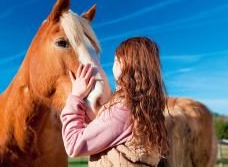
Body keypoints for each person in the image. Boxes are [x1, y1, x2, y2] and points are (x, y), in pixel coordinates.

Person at [60, 36, 169, 166]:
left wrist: (76, 96)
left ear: (128, 65)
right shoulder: (146, 109)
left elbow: (73, 144)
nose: (114, 65)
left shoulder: (123, 109)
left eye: (116, 60)